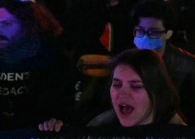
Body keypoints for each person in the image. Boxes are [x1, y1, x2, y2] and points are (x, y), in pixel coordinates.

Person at [39, 48, 187, 131]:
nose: (122, 93)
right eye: (116, 84)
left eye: (135, 86)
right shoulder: (98, 127)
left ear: (157, 90)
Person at [130, 0, 195, 127]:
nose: (145, 38)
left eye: (154, 32)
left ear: (168, 33)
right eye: (140, 31)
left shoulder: (192, 71)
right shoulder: (128, 62)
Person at [0, 0, 75, 127]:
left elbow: (63, 103)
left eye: (6, 24)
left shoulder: (52, 55)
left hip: (39, 134)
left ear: (26, 24)